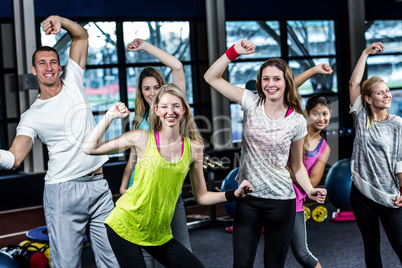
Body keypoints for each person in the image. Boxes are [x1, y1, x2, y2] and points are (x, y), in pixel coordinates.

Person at [83, 83, 253, 268]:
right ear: (156, 110)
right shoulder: (142, 138)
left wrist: (232, 194)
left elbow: (202, 196)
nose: (169, 111)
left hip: (158, 232)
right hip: (124, 224)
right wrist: (110, 116)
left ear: (184, 109)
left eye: (175, 106)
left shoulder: (194, 147)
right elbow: (90, 148)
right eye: (164, 106)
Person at [0, 16, 119, 267]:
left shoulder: (73, 79)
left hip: (98, 185)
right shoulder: (32, 115)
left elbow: (82, 36)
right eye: (42, 63)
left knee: (113, 258)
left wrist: (61, 21)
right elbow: (14, 159)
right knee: (67, 264)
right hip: (63, 192)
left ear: (60, 66)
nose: (49, 67)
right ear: (34, 71)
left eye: (53, 61)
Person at [204, 38, 327, 268]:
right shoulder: (250, 102)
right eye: (266, 79)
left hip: (282, 202)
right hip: (248, 199)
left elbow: (297, 167)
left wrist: (310, 190)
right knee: (241, 265)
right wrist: (234, 52)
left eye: (276, 79)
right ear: (260, 83)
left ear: (286, 83)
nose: (271, 84)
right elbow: (210, 77)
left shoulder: (297, 121)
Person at [120, 38, 191, 268]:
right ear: (141, 91)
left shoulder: (172, 110)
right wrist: (123, 186)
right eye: (146, 88)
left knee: (183, 255)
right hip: (142, 195)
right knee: (148, 258)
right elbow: (133, 159)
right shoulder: (138, 120)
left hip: (171, 196)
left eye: (156, 87)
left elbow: (177, 67)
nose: (152, 93)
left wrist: (145, 46)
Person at [349, 42, 402, 267]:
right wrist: (364, 54)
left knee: (400, 246)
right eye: (380, 93)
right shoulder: (361, 116)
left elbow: (400, 160)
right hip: (361, 193)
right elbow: (354, 83)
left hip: (389, 194)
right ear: (368, 99)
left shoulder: (397, 123)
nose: (386, 95)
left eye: (387, 91)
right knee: (371, 245)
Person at [288, 94, 332, 268]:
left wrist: (290, 173)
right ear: (306, 113)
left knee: (302, 253)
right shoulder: (293, 131)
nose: (321, 118)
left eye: (325, 114)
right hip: (273, 194)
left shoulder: (325, 148)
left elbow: (312, 182)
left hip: (295, 200)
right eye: (316, 113)